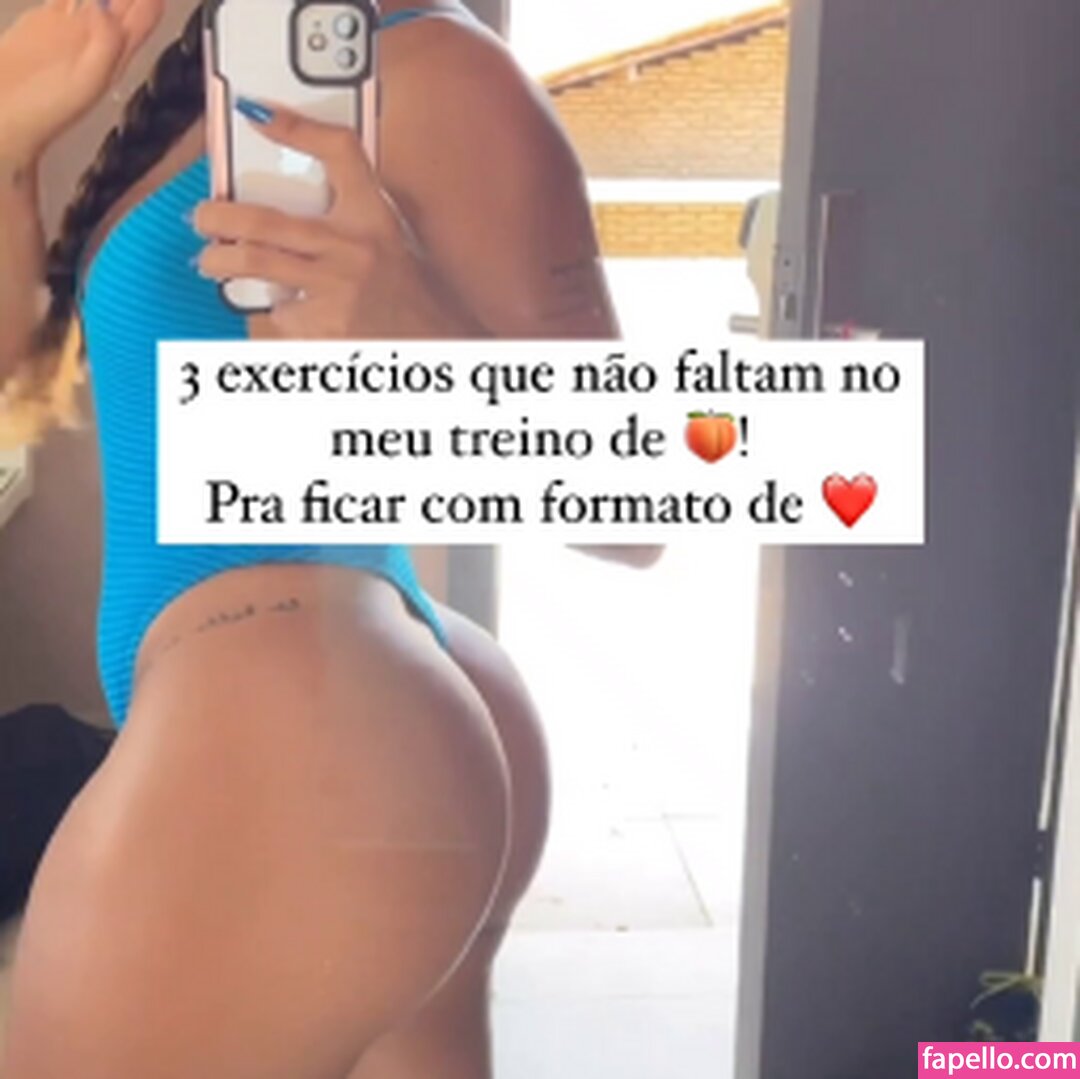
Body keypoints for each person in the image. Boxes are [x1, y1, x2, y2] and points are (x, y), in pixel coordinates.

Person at [0, 0, 661, 1075]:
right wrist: (12, 143)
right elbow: (21, 382)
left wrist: (417, 336)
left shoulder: (440, 72)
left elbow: (638, 509)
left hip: (300, 727)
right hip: (317, 712)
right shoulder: (217, 74)